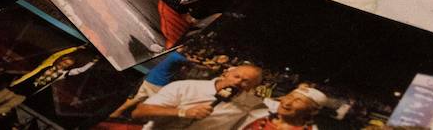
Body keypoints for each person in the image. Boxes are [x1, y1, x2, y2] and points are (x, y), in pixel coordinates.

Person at [132, 63, 263, 130]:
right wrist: (183, 112)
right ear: (226, 73)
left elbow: (278, 107)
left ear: (252, 88)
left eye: (246, 81)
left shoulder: (250, 104)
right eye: (236, 76)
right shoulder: (186, 87)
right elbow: (139, 112)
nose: (237, 83)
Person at [240, 85, 330, 130]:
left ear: (312, 111)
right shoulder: (258, 115)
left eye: (298, 101)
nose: (287, 103)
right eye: (289, 97)